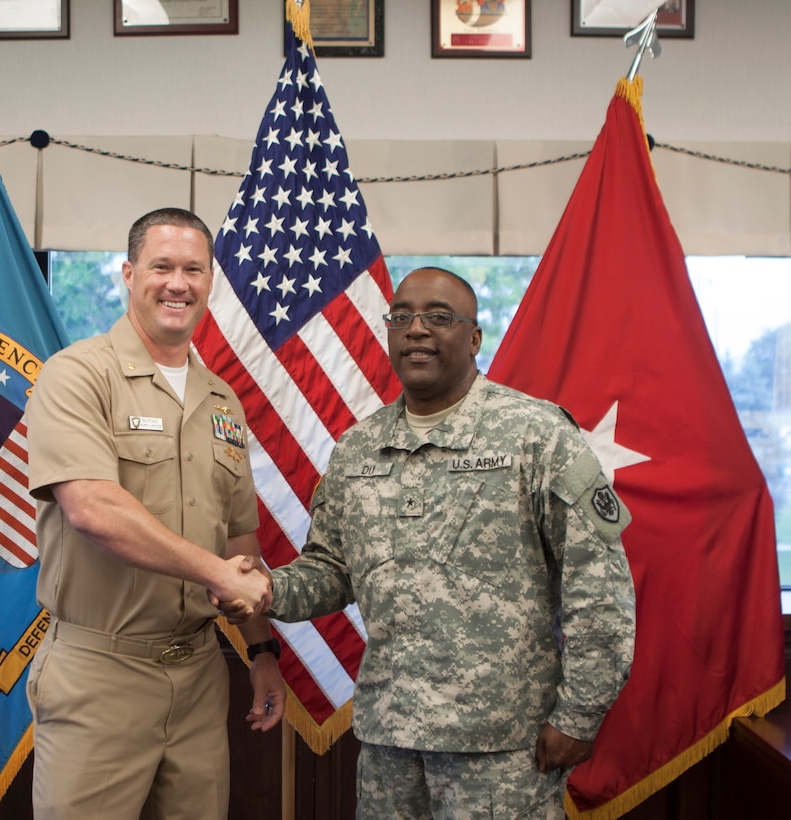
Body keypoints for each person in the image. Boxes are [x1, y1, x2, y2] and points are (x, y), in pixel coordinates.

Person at [228, 267, 636, 817]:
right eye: (402, 318)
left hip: (502, 751)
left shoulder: (538, 436)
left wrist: (579, 715)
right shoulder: (358, 450)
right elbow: (330, 571)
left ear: (473, 338)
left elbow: (600, 593)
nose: (417, 330)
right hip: (389, 744)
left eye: (439, 318)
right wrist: (267, 589)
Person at [25, 207, 285, 820]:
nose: (178, 283)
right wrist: (220, 577)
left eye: (193, 269)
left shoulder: (222, 401)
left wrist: (261, 651)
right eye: (161, 266)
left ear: (210, 281)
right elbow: (93, 509)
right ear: (127, 273)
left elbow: (238, 540)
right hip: (100, 674)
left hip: (198, 675)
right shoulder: (79, 375)